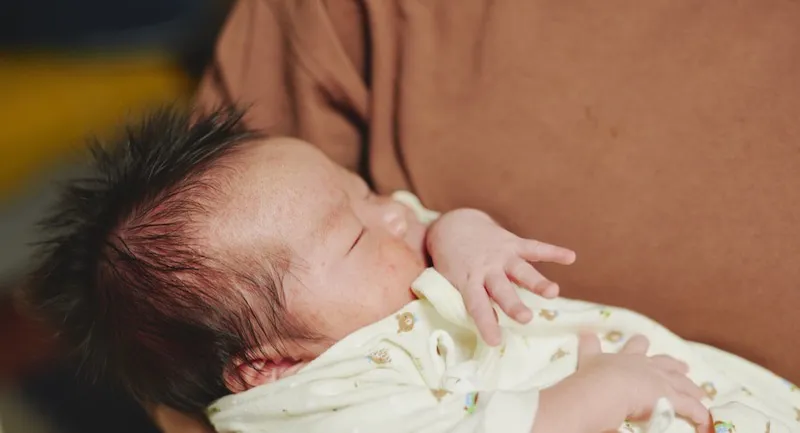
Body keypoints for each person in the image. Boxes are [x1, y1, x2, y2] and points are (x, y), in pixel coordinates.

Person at [24, 107, 799, 433]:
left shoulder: (373, 273)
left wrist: (465, 235)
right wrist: (595, 394)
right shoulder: (316, 408)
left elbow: (417, 216)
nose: (395, 212)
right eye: (358, 234)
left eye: (360, 194)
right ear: (266, 365)